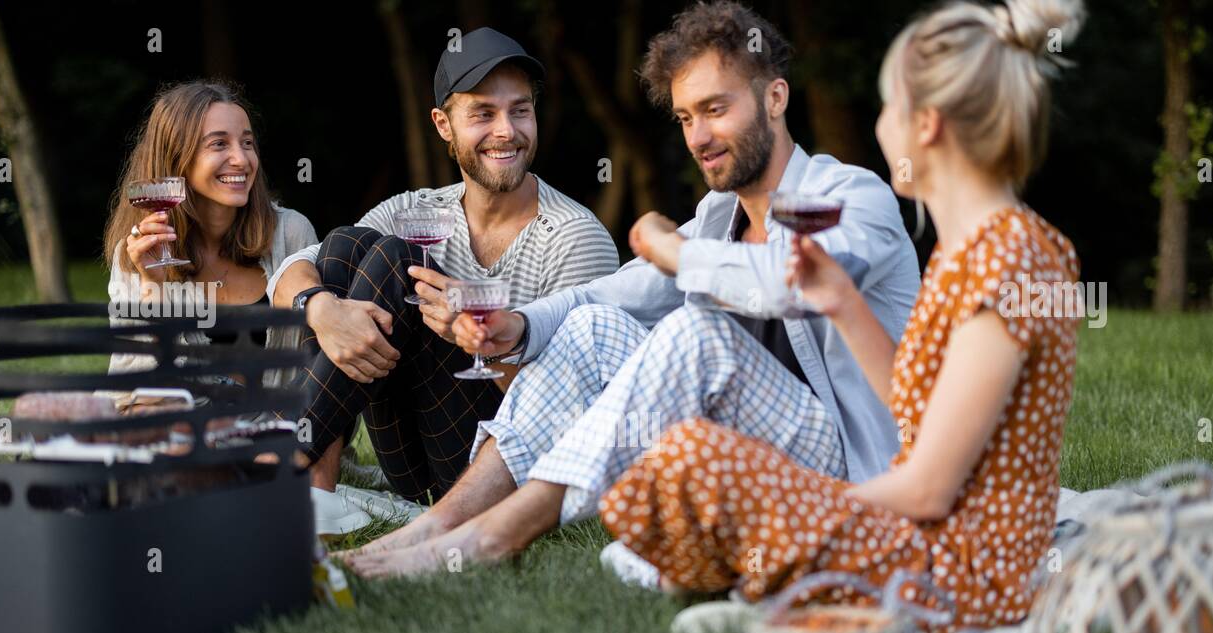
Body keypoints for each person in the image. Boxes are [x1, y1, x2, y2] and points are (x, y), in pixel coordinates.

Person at [343, 0, 920, 579]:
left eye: (716, 109)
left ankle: (496, 536)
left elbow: (795, 282)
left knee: (701, 332)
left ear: (775, 97)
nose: (700, 137)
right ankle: (441, 524)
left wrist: (679, 253)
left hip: (854, 476)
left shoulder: (850, 195)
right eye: (686, 118)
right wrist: (519, 325)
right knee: (592, 327)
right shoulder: (721, 216)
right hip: (740, 465)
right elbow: (613, 295)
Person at [599, 0, 1087, 632]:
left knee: (701, 464)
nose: (879, 125)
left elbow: (931, 490)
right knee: (697, 464)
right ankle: (748, 572)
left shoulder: (1011, 258)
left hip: (965, 569)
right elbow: (917, 411)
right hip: (926, 534)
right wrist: (844, 304)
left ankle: (753, 578)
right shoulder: (971, 249)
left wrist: (794, 508)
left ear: (928, 125)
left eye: (888, 107)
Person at [269, 27, 619, 528]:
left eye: (520, 110)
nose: (507, 131)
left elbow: (582, 410)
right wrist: (321, 309)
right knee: (345, 247)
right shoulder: (420, 209)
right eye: (483, 113)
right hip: (413, 459)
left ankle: (279, 465)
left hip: (504, 465)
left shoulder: (573, 236)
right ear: (443, 125)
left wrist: (481, 338)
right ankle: (315, 486)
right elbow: (295, 269)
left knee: (392, 260)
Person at [104, 80, 317, 386]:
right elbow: (137, 380)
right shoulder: (140, 249)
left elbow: (320, 363)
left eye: (247, 143)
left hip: (282, 426)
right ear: (177, 158)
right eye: (219, 144)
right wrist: (153, 287)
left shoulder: (290, 234)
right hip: (190, 426)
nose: (241, 160)